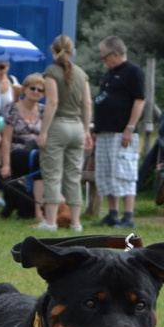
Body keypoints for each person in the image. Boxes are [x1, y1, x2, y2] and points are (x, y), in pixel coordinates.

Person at [36, 35, 92, 232]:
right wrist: (86, 130)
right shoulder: (82, 73)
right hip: (77, 126)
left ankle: (50, 222)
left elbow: (52, 102)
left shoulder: (51, 72)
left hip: (58, 125)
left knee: (52, 174)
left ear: (52, 49)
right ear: (73, 51)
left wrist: (43, 131)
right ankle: (76, 222)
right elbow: (87, 104)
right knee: (74, 175)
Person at [94, 35, 145, 228]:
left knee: (125, 172)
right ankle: (112, 213)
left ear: (115, 54)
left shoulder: (132, 71)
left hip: (122, 132)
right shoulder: (109, 74)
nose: (103, 61)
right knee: (107, 173)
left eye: (104, 56)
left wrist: (129, 128)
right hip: (105, 132)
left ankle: (128, 216)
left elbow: (139, 100)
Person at [0, 73, 46, 222]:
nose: (36, 92)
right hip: (16, 152)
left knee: (44, 159)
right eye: (33, 88)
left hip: (38, 153)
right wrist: (6, 164)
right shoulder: (13, 109)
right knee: (40, 159)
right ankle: (39, 212)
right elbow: (6, 139)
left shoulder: (43, 110)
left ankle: (51, 205)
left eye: (40, 90)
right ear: (24, 89)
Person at [0, 58, 18, 208]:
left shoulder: (13, 81)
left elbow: (16, 103)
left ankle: (3, 194)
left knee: (4, 159)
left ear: (8, 67)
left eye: (2, 67)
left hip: (8, 125)